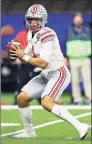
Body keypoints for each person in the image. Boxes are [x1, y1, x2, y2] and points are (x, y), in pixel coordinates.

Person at [7, 4, 89, 139]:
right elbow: (25, 58)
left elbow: (43, 63)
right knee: (21, 98)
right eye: (31, 19)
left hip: (58, 73)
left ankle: (80, 126)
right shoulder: (30, 34)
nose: (33, 23)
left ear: (43, 20)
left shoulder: (47, 33)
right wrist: (18, 53)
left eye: (37, 20)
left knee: (46, 102)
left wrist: (24, 56)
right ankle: (29, 131)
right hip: (45, 74)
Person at [66, 13, 91, 105]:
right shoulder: (69, 32)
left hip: (85, 59)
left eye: (79, 20)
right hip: (73, 60)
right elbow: (65, 45)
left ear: (82, 21)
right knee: (75, 80)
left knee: (87, 80)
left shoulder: (88, 31)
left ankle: (90, 98)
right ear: (73, 21)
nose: (78, 21)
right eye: (76, 20)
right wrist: (66, 58)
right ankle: (77, 99)